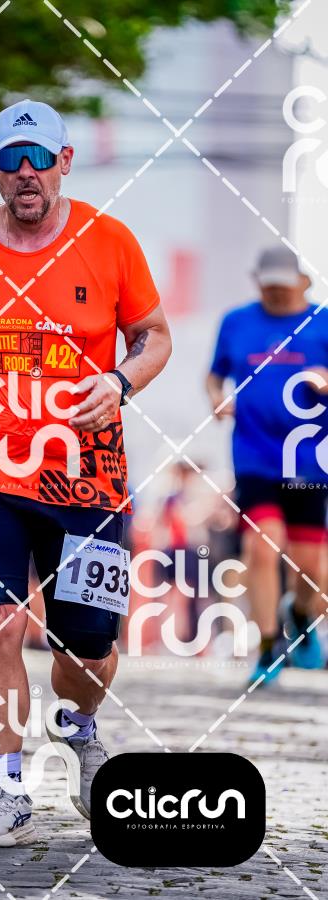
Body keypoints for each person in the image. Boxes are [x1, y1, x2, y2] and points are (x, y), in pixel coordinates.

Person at [0, 99, 171, 846]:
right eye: (11, 159)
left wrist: (120, 382)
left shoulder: (110, 241)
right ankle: (4, 789)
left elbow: (153, 336)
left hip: (85, 473)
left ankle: (78, 725)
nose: (26, 172)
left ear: (63, 163)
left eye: (39, 157)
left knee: (88, 650)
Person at [207, 245, 328, 686]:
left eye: (284, 286)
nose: (276, 293)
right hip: (254, 456)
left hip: (308, 459)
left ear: (303, 282)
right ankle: (268, 646)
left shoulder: (322, 322)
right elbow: (214, 375)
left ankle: (301, 615)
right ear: (257, 282)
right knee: (262, 546)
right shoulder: (236, 322)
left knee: (311, 568)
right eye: (269, 286)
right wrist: (216, 398)